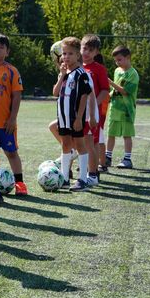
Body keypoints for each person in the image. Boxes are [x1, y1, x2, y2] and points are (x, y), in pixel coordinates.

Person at [0, 34, 28, 195]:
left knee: (11, 153)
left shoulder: (11, 71)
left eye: (1, 47)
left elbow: (17, 95)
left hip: (6, 123)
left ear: (7, 52)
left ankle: (20, 184)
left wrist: (12, 118)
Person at [53, 37, 93, 192]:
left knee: (80, 145)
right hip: (62, 116)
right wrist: (61, 75)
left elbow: (84, 96)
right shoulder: (64, 73)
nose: (66, 57)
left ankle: (83, 179)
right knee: (66, 145)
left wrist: (79, 118)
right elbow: (55, 93)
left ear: (78, 55)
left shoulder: (81, 74)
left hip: (75, 117)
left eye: (70, 53)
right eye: (64, 53)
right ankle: (64, 178)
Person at [81, 34, 110, 182]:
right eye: (84, 48)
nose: (86, 52)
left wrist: (94, 105)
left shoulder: (99, 69)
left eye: (90, 50)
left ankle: (93, 173)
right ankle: (79, 165)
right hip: (77, 112)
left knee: (93, 142)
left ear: (96, 52)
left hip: (92, 113)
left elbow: (105, 90)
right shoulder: (76, 66)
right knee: (78, 141)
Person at [106, 45, 139, 169]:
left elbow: (125, 91)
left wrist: (110, 82)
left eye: (119, 60)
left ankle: (127, 159)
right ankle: (107, 158)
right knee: (111, 133)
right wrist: (108, 95)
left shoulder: (133, 74)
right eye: (115, 60)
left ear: (128, 57)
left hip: (126, 110)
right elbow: (115, 90)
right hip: (115, 108)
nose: (117, 63)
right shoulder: (117, 71)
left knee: (126, 135)